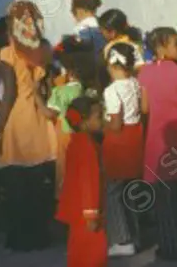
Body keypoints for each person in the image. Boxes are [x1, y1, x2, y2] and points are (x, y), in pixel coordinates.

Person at [0, 1, 57, 251]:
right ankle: (40, 234)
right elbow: (48, 87)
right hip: (39, 117)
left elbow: (8, 94)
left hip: (18, 118)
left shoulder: (8, 53)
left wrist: (0, 130)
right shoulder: (43, 50)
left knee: (17, 182)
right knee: (38, 180)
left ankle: (21, 237)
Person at [138, 27, 177, 261]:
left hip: (158, 138)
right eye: (175, 44)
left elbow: (144, 108)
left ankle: (171, 247)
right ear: (161, 48)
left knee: (164, 199)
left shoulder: (145, 73)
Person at [102, 43, 144, 257]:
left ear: (112, 65)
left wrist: (102, 123)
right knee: (132, 190)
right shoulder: (135, 84)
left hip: (118, 141)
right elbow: (144, 109)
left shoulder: (112, 90)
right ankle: (136, 236)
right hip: (135, 138)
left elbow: (115, 123)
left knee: (114, 191)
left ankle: (122, 239)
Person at [57, 96, 107, 267]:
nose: (103, 120)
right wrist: (91, 213)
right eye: (99, 116)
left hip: (77, 208)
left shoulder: (76, 142)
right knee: (92, 254)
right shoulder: (87, 146)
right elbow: (88, 181)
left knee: (79, 252)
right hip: (86, 211)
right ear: (84, 121)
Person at [47, 48, 88, 192]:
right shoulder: (88, 90)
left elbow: (50, 112)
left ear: (70, 74)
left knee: (63, 166)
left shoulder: (61, 91)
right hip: (81, 133)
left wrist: (38, 97)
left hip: (64, 133)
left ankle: (62, 194)